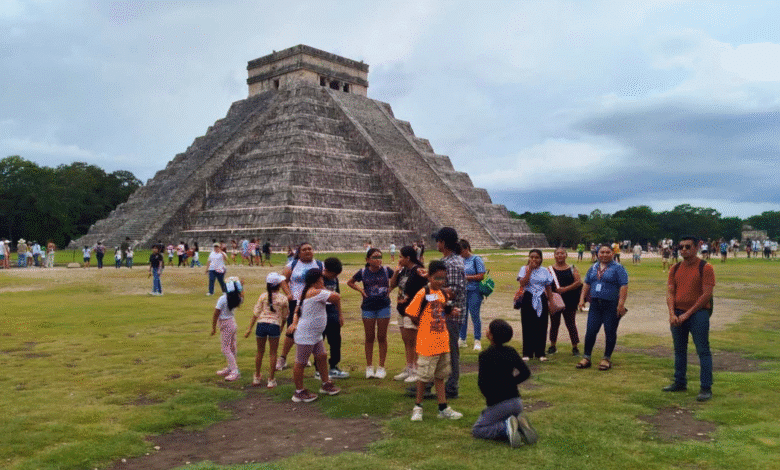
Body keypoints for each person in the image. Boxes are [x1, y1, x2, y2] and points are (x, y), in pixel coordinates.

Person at [405, 260, 463, 421]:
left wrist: (451, 312)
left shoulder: (442, 294)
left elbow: (442, 310)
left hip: (442, 340)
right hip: (427, 342)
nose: (440, 282)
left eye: (443, 279)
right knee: (423, 376)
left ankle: (443, 407)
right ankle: (418, 406)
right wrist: (420, 324)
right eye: (437, 278)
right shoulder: (423, 293)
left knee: (440, 375)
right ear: (429, 277)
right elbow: (411, 311)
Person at [663, 236, 715, 402]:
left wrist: (687, 314)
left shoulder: (705, 268)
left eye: (687, 247)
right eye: (681, 247)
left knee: (702, 350)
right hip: (678, 313)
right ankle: (679, 382)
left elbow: (706, 294)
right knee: (679, 350)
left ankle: (705, 387)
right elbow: (670, 291)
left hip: (698, 314)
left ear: (696, 248)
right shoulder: (675, 268)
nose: (684, 250)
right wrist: (672, 313)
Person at [472, 319, 537, 447]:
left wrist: (491, 398)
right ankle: (517, 425)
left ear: (490, 335)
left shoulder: (485, 355)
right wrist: (511, 382)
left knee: (478, 429)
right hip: (516, 401)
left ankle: (506, 428)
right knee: (492, 414)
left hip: (498, 402)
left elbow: (482, 383)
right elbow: (525, 372)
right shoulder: (511, 351)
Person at [286, 268, 341, 402]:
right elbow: (336, 297)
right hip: (307, 334)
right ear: (318, 280)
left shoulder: (307, 292)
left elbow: (297, 310)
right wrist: (324, 288)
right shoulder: (317, 292)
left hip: (315, 333)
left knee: (322, 356)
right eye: (321, 278)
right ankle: (299, 392)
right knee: (301, 362)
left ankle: (325, 383)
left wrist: (294, 323)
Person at [576, 245, 629, 371]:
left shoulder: (618, 268)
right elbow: (587, 283)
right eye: (602, 252)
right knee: (591, 331)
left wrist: (620, 304)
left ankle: (606, 358)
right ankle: (586, 357)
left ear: (612, 253)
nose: (604, 255)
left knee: (610, 331)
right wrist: (581, 299)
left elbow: (623, 286)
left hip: (611, 304)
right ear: (597, 253)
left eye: (607, 252)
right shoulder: (593, 267)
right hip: (595, 304)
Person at [347, 248, 395, 379]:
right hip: (368, 307)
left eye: (380, 257)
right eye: (374, 257)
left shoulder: (386, 270)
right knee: (369, 337)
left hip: (383, 306)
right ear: (368, 260)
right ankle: (369, 367)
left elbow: (397, 278)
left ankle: (381, 367)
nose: (378, 259)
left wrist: (390, 289)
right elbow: (350, 282)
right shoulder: (363, 272)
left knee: (382, 337)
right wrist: (361, 291)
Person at [277, 242, 323, 370]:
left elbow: (324, 281)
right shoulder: (292, 264)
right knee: (292, 330)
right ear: (299, 252)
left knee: (311, 330)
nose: (308, 251)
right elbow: (282, 279)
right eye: (304, 250)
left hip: (313, 302)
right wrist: (289, 294)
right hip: (296, 301)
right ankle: (282, 358)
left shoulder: (319, 264)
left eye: (310, 248)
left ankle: (306, 357)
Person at [434, 227, 466, 398]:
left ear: (443, 243)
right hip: (444, 313)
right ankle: (431, 382)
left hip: (451, 314)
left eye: (438, 240)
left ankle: (452, 386)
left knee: (451, 350)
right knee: (438, 350)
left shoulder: (452, 264)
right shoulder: (449, 261)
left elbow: (452, 291)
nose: (436, 243)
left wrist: (430, 294)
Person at [389, 245, 428, 382]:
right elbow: (392, 285)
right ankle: (409, 367)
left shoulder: (418, 271)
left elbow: (428, 289)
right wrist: (396, 271)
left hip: (412, 311)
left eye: (401, 257)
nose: (399, 259)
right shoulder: (403, 271)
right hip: (401, 309)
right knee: (406, 341)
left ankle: (417, 369)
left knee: (414, 341)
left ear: (408, 258)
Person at [245, 272, 289, 388]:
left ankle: (257, 376)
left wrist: (249, 328)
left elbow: (256, 313)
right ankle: (271, 379)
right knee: (273, 353)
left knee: (260, 351)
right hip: (274, 325)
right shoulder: (283, 298)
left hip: (261, 324)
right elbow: (285, 317)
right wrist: (281, 327)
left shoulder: (263, 296)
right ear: (279, 285)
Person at [514, 249, 553, 361]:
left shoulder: (545, 271)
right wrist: (529, 270)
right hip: (528, 297)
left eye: (536, 257)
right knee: (527, 325)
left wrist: (551, 301)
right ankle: (527, 352)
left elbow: (548, 286)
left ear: (541, 259)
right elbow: (522, 283)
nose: (534, 259)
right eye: (531, 257)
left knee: (541, 325)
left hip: (541, 298)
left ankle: (540, 352)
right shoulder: (524, 269)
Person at [548, 248, 582, 356]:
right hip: (555, 300)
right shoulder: (549, 269)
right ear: (554, 256)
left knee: (571, 324)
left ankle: (575, 347)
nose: (559, 255)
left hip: (570, 300)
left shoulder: (572, 268)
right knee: (554, 323)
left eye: (562, 253)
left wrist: (565, 289)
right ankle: (552, 345)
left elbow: (578, 282)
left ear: (566, 255)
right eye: (557, 253)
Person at [320, 257, 349, 379]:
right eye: (333, 274)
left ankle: (334, 366)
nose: (334, 276)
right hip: (320, 313)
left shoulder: (335, 279)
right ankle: (319, 368)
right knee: (319, 342)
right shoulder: (318, 279)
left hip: (332, 313)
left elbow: (337, 298)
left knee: (335, 341)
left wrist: (340, 314)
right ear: (325, 270)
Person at [211, 277, 244, 382]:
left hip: (225, 324)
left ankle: (234, 371)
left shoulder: (223, 298)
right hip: (232, 323)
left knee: (225, 348)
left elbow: (216, 313)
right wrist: (241, 286)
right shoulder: (237, 298)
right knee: (232, 346)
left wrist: (213, 327)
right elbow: (242, 294)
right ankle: (231, 367)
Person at [458, 239, 487, 351]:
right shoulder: (460, 260)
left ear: (466, 249)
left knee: (474, 315)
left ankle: (477, 339)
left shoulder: (476, 259)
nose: (460, 254)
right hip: (462, 291)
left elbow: (481, 275)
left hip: (474, 290)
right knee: (463, 316)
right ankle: (462, 338)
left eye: (461, 251)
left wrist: (467, 277)